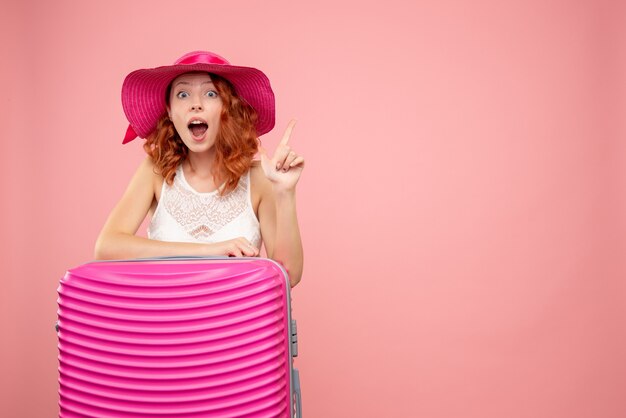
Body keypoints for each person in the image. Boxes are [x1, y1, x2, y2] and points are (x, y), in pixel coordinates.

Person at [94, 51, 304, 287]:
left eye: (211, 93)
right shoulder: (155, 171)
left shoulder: (258, 179)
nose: (196, 105)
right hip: (165, 320)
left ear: (228, 108)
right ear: (170, 112)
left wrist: (285, 193)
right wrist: (209, 251)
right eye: (183, 94)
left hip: (237, 321)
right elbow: (107, 247)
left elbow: (289, 275)